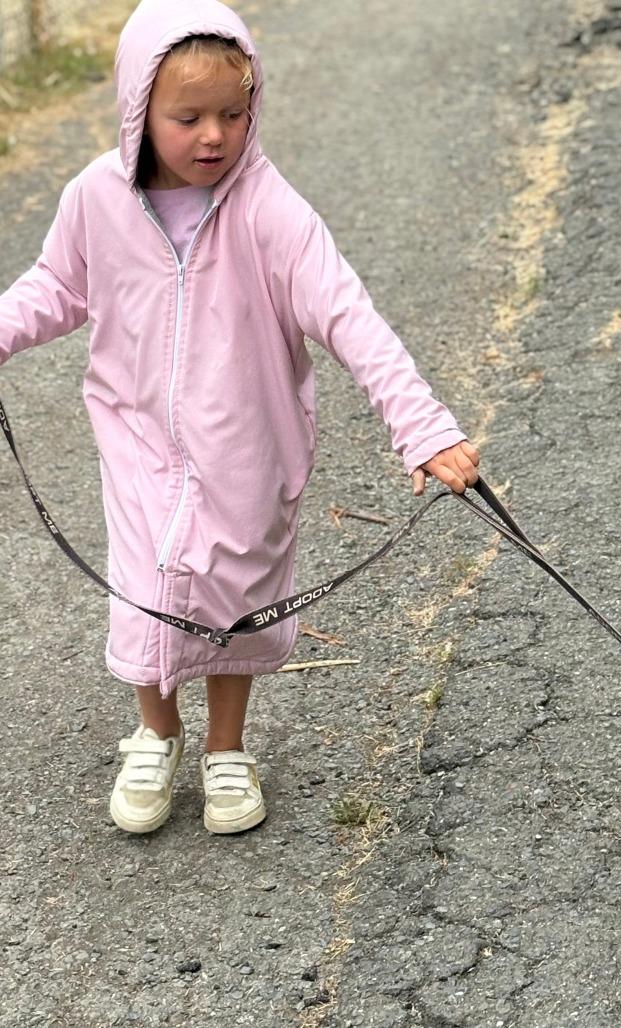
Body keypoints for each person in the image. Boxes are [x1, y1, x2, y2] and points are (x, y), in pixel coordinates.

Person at [0, 0, 479, 836]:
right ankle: (155, 733)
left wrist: (424, 426)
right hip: (139, 435)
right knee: (147, 586)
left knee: (235, 600)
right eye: (187, 117)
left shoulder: (271, 209)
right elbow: (55, 287)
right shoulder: (95, 198)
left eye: (233, 112)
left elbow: (349, 317)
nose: (213, 135)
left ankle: (228, 747)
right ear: (137, 111)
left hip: (247, 445)